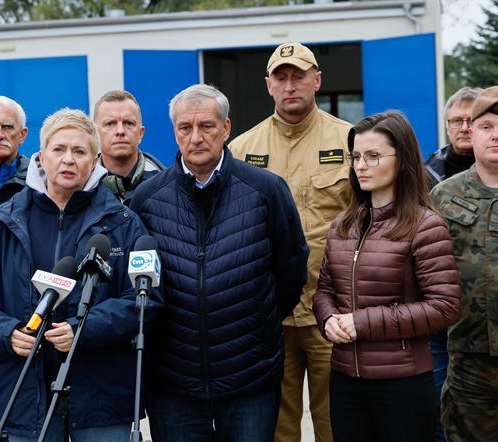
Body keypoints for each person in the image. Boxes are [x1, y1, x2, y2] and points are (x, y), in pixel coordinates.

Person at [0, 108, 164, 441]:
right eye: (59, 149)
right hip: (24, 398)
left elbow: (145, 299)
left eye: (79, 151)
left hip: (102, 400)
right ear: (41, 157)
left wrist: (85, 329)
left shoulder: (124, 222)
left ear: (94, 161)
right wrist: (7, 332)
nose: (68, 160)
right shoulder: (1, 222)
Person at [130, 84, 309, 441]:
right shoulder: (147, 198)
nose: (195, 137)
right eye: (185, 128)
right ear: (175, 132)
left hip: (249, 376)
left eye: (206, 126)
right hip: (173, 380)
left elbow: (291, 268)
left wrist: (259, 317)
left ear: (226, 129)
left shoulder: (266, 189)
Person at [313, 110, 461, 442]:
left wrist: (360, 323)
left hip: (403, 384)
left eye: (373, 156)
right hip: (345, 381)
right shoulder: (343, 224)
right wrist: (328, 319)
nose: (360, 165)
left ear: (403, 160)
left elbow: (444, 307)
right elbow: (324, 290)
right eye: (356, 157)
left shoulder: (424, 226)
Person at [229, 41, 351, 442]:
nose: (290, 85)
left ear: (317, 80)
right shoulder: (241, 151)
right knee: (276, 427)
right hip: (268, 313)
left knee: (335, 419)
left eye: (298, 76)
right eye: (281, 78)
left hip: (331, 310)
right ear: (268, 85)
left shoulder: (352, 142)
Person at [430, 86, 498, 442]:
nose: (496, 135)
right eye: (486, 126)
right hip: (468, 362)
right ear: (471, 132)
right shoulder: (444, 195)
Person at [424, 86, 481, 442]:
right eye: (455, 120)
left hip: (483, 322)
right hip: (440, 324)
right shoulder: (425, 175)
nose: (463, 127)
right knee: (440, 409)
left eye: (470, 120)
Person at [93, 90, 164, 204]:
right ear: (96, 134)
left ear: (141, 133)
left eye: (129, 123)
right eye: (110, 124)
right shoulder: (82, 185)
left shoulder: (166, 185)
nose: (120, 131)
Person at [425, 87, 482, 186]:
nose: (464, 129)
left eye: (471, 121)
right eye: (457, 121)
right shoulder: (426, 175)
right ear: (447, 127)